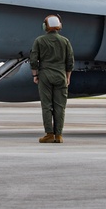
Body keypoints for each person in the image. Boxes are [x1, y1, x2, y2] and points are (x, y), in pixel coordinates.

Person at [29, 14, 74, 143]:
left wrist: (35, 75)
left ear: (45, 26)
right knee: (60, 106)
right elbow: (70, 62)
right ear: (59, 26)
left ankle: (49, 134)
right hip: (61, 75)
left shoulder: (39, 41)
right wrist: (67, 77)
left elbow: (33, 60)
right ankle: (59, 135)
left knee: (47, 106)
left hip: (45, 76)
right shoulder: (65, 41)